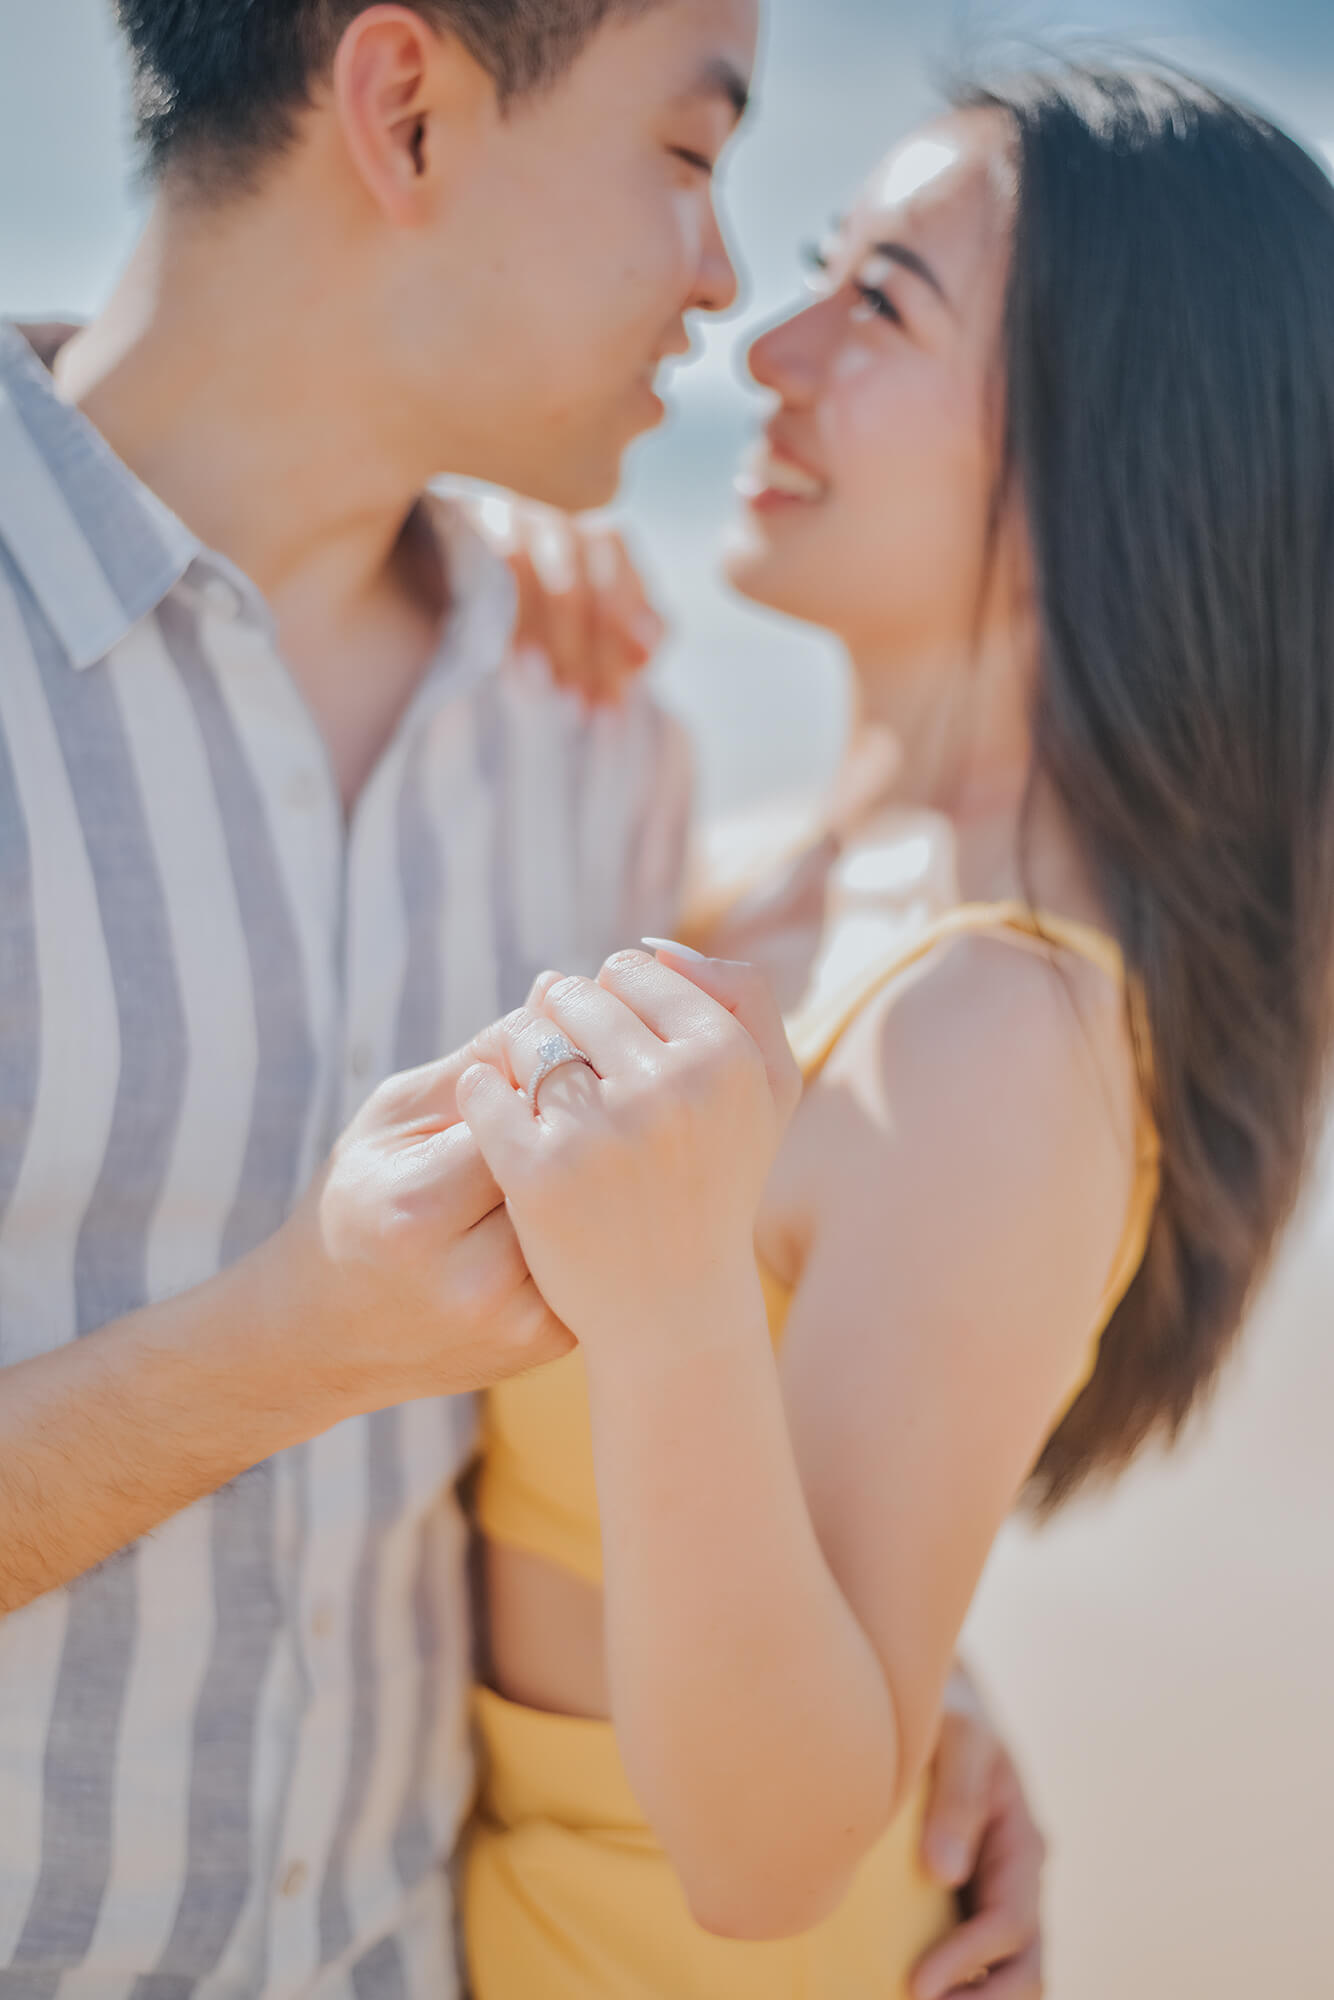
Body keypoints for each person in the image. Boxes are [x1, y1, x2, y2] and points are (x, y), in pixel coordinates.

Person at [0, 3, 1041, 1994]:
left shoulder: (594, 737)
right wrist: (276, 1346)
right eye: (685, 154)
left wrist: (900, 1679)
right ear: (403, 109)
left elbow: (646, 1376)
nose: (732, 278)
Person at [455, 65, 1334, 1999]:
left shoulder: (993, 1031)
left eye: (881, 306)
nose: (762, 351)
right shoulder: (745, 861)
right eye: (812, 274)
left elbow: (776, 1852)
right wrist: (469, 594)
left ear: (1121, 446)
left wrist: (670, 1301)